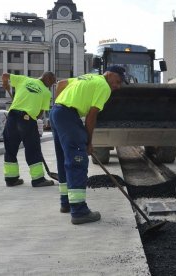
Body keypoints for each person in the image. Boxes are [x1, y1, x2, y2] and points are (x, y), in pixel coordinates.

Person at [50, 66, 126, 225]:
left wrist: (58, 104)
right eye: (118, 81)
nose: (117, 86)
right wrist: (88, 142)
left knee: (65, 160)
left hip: (57, 113)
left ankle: (66, 203)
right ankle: (79, 211)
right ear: (109, 74)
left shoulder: (88, 77)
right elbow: (92, 116)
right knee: (77, 161)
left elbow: (62, 84)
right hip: (68, 116)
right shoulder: (104, 87)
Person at [2, 72, 56, 188]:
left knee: (10, 149)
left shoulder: (23, 80)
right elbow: (40, 114)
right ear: (48, 78)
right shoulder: (46, 93)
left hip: (12, 117)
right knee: (33, 149)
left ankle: (11, 179)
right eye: (51, 83)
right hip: (27, 119)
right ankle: (38, 180)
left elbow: (5, 75)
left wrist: (5, 84)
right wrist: (30, 122)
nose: (50, 86)